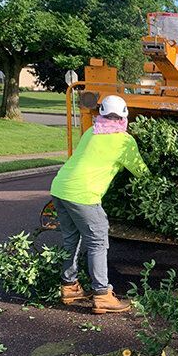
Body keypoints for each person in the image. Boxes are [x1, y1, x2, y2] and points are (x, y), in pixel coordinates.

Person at [50, 95, 149, 313]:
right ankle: (102, 294)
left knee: (71, 238)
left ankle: (69, 287)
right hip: (83, 195)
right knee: (97, 240)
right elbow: (141, 173)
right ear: (124, 116)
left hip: (60, 188)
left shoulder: (90, 133)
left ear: (101, 114)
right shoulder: (125, 141)